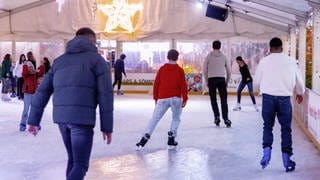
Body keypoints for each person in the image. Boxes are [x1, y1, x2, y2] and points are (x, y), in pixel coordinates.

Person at [27, 27, 114, 180]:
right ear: (92, 41)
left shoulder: (60, 61)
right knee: (80, 164)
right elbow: (105, 95)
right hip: (82, 120)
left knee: (73, 160)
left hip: (62, 119)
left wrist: (33, 120)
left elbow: (43, 91)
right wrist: (107, 127)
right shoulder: (98, 61)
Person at [255, 37, 305, 172]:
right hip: (284, 98)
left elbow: (256, 83)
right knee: (286, 129)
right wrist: (300, 93)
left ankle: (266, 154)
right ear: (282, 48)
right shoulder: (291, 61)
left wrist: (261, 90)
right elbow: (299, 82)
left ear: (270, 49)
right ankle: (287, 160)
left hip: (268, 98)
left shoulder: (264, 61)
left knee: (267, 127)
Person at [136, 49, 188, 149]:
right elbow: (183, 86)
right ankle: (171, 136)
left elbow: (156, 84)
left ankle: (145, 137)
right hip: (176, 98)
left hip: (163, 98)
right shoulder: (180, 71)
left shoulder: (162, 69)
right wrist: (185, 98)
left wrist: (155, 98)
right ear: (177, 58)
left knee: (155, 118)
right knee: (176, 118)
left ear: (167, 57)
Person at [203, 40, 232, 127]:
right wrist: (226, 81)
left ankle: (217, 117)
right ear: (220, 46)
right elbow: (229, 71)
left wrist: (207, 80)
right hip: (221, 79)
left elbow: (204, 69)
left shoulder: (208, 56)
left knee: (213, 100)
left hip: (211, 79)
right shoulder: (224, 56)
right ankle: (226, 118)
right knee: (224, 100)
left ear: (212, 46)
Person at [19, 51, 45, 131]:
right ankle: (22, 125)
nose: (31, 69)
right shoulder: (26, 75)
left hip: (35, 93)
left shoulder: (35, 75)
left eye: (32, 67)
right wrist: (25, 65)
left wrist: (42, 65)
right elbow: (24, 73)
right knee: (26, 110)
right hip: (27, 93)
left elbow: (41, 73)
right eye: (29, 67)